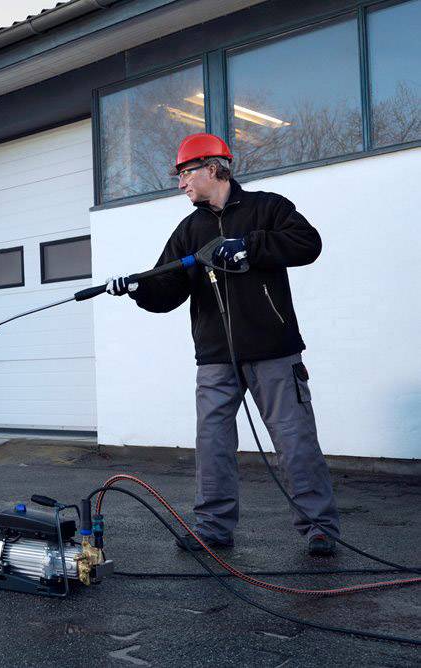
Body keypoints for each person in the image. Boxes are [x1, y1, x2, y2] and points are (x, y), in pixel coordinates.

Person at [106, 133, 340, 556]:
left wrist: (248, 246)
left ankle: (319, 527)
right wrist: (138, 287)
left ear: (214, 169)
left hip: (274, 350)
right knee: (213, 442)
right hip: (215, 358)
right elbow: (168, 291)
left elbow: (309, 244)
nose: (181, 184)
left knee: (294, 439)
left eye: (185, 173)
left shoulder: (267, 208)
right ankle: (212, 527)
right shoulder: (189, 230)